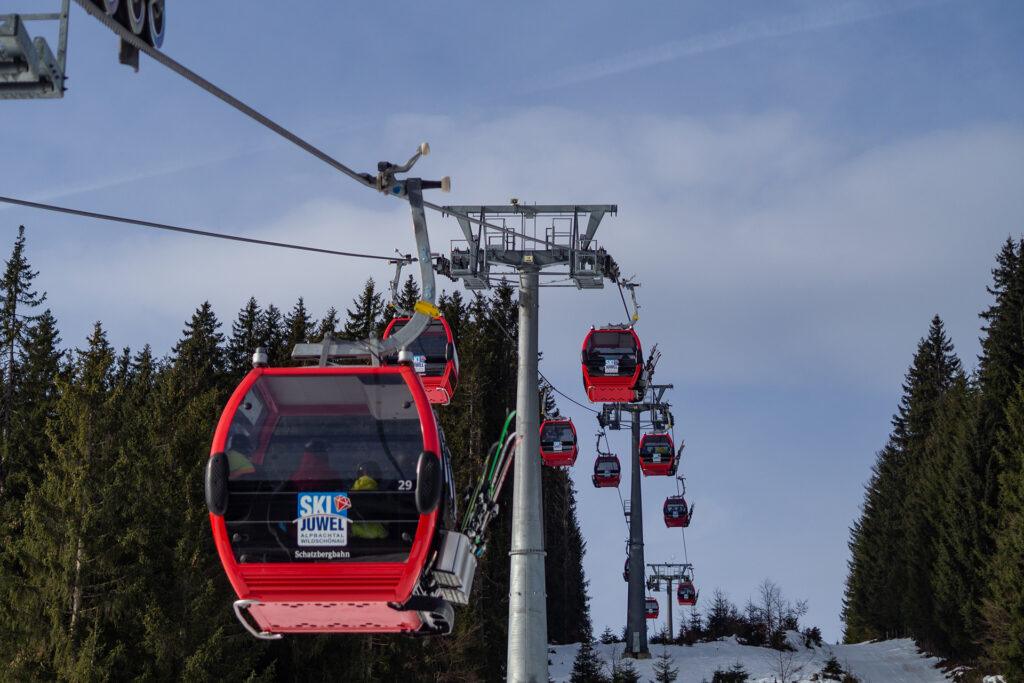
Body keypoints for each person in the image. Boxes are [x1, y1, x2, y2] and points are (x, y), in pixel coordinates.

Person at [350, 461, 387, 539]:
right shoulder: (385, 498)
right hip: (384, 544)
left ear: (363, 473)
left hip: (352, 544)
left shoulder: (346, 497)